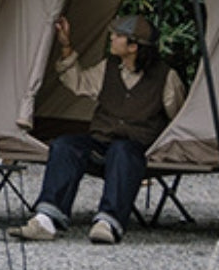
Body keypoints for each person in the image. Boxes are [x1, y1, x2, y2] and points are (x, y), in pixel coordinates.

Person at [10, 13, 185, 245]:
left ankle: (108, 222)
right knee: (65, 145)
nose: (111, 38)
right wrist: (65, 46)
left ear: (133, 46)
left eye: (118, 35)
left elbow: (179, 119)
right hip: (101, 141)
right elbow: (78, 81)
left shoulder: (166, 78)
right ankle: (46, 219)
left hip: (137, 148)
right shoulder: (108, 68)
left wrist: (164, 149)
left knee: (122, 151)